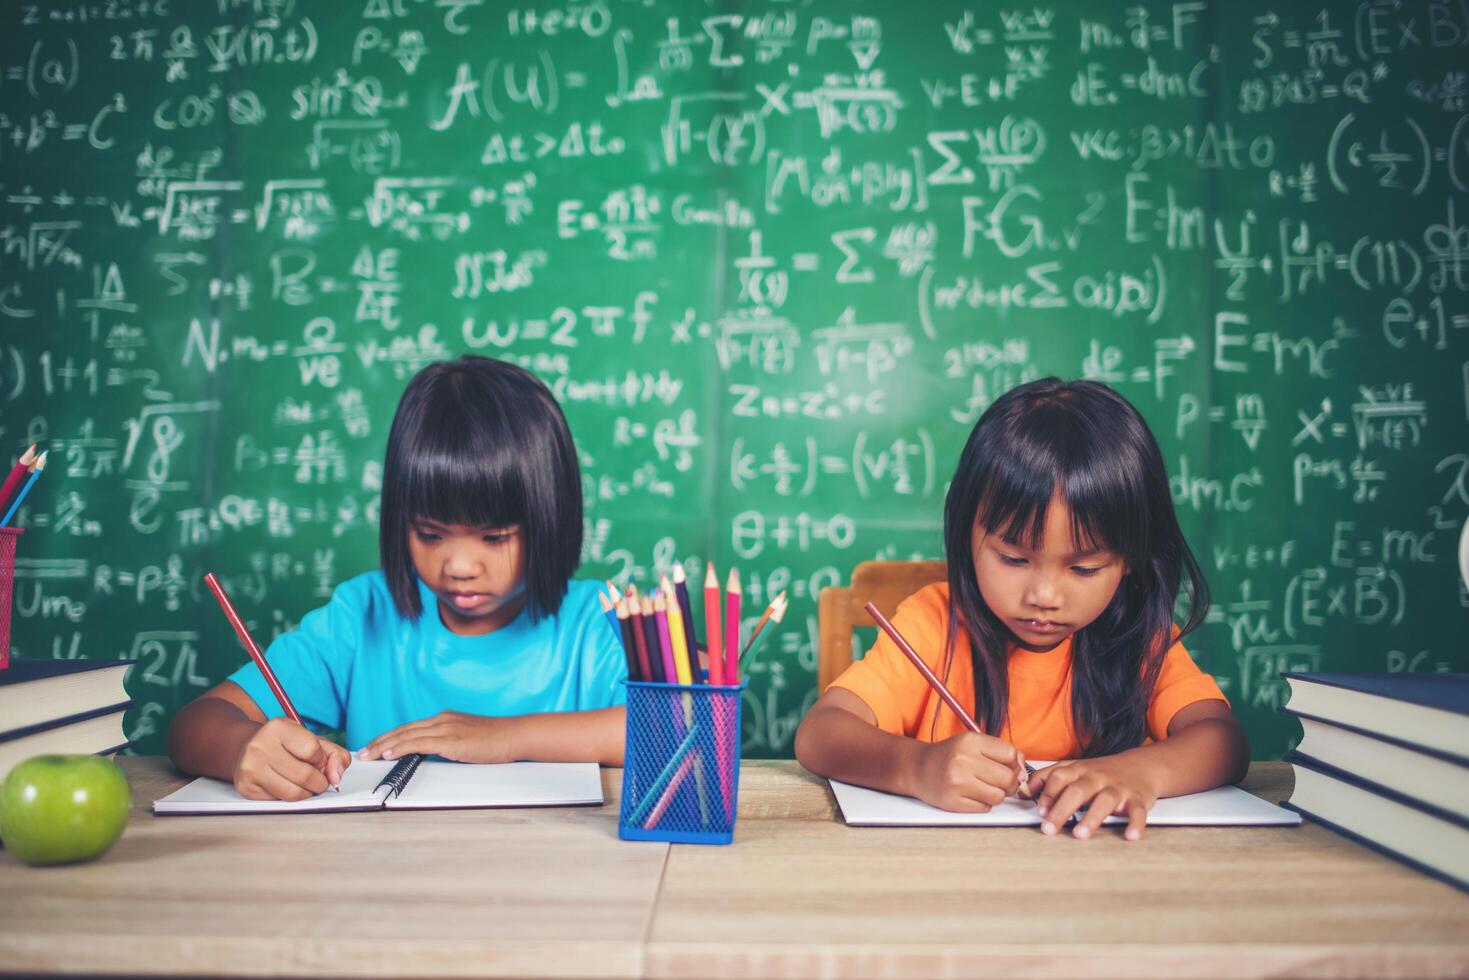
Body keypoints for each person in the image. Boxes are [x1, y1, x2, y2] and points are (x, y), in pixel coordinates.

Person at [795, 377, 1249, 840]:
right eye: (1014, 559)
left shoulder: (1140, 638)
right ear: (967, 534)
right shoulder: (933, 623)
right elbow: (821, 733)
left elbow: (1223, 741)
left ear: (1130, 558)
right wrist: (917, 767)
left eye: (1084, 568)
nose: (1044, 596)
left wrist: (1140, 772)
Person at [168, 356, 627, 801]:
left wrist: (506, 738)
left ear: (551, 519)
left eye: (494, 537)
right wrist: (243, 749)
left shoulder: (599, 621)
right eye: (430, 534)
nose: (459, 566)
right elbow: (195, 725)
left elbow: (682, 727)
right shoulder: (361, 616)